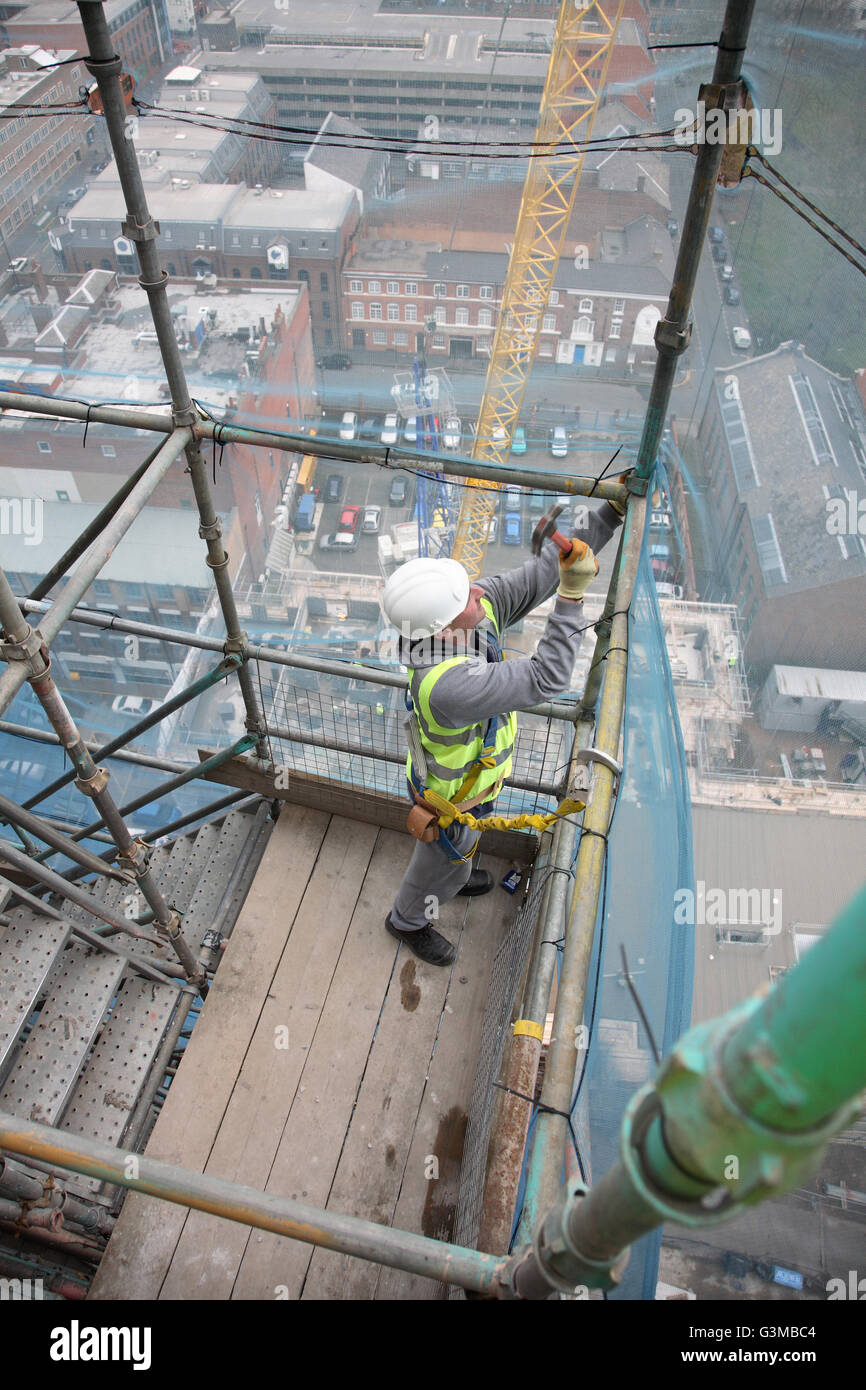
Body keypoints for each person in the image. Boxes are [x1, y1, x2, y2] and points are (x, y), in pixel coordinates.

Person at [379, 494, 624, 965]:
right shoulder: (448, 685)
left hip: (474, 784)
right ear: (445, 630)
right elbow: (545, 678)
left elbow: (541, 575)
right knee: (438, 863)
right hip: (449, 801)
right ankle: (408, 919)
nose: (479, 592)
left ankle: (458, 868)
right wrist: (572, 599)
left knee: (462, 850)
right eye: (465, 596)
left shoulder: (463, 617)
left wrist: (606, 517)